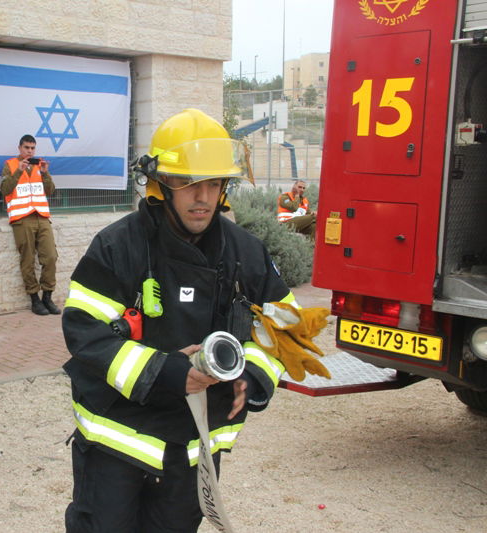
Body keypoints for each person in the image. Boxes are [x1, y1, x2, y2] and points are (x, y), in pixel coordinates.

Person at [61, 109, 297, 532]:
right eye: (188, 183)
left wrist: (253, 376)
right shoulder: (117, 246)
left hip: (193, 450)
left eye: (213, 183)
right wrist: (168, 372)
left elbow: (286, 325)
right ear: (160, 183)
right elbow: (85, 332)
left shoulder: (246, 252)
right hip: (117, 440)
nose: (202, 197)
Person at [0, 134, 60, 316]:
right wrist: (19, 171)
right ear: (20, 148)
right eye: (26, 148)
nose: (30, 151)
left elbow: (50, 191)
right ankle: (34, 299)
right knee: (27, 259)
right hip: (22, 218)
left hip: (42, 216)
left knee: (51, 257)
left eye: (33, 148)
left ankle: (47, 296)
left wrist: (45, 173)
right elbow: (5, 189)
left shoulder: (39, 166)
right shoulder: (10, 165)